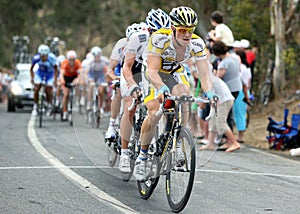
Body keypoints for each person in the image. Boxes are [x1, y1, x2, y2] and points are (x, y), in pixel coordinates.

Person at [134, 6, 216, 181]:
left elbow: (204, 74)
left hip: (175, 71)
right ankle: (142, 155)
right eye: (182, 30)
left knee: (184, 96)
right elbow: (152, 71)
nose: (187, 34)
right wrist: (161, 88)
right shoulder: (159, 39)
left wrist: (209, 93)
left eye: (190, 30)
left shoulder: (197, 43)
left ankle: (178, 142)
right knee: (154, 111)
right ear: (173, 28)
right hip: (153, 73)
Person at [118, 9, 171, 173]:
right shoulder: (138, 38)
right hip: (133, 72)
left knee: (160, 106)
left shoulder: (169, 39)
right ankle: (125, 153)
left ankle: (159, 142)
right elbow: (126, 67)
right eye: (156, 32)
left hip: (152, 72)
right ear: (148, 30)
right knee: (130, 104)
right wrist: (133, 86)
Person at [104, 23, 141, 139]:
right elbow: (109, 70)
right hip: (122, 70)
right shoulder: (121, 45)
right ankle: (112, 124)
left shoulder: (144, 44)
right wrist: (116, 78)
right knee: (119, 89)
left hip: (138, 72)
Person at [199, 65, 240, 152]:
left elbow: (212, 93)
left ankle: (234, 142)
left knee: (220, 123)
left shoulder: (209, 79)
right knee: (212, 120)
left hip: (224, 101)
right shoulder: (209, 78)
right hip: (219, 100)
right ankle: (210, 143)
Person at [211, 41, 243, 132]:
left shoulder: (223, 63)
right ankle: (227, 137)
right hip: (237, 87)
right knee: (229, 114)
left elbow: (218, 78)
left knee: (225, 115)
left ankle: (228, 138)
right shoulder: (236, 58)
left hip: (228, 89)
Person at [30, 44, 58, 116]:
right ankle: (35, 106)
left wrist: (55, 80)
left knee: (48, 89)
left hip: (50, 74)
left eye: (45, 55)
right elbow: (31, 69)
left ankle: (49, 104)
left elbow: (56, 70)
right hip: (40, 74)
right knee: (36, 88)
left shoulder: (52, 58)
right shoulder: (36, 58)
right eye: (41, 55)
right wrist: (32, 78)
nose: (43, 57)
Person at [234, 49, 252, 142]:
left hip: (240, 92)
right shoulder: (247, 67)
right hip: (244, 91)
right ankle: (239, 135)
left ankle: (240, 136)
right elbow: (249, 83)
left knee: (239, 114)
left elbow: (244, 82)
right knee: (239, 114)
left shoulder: (241, 68)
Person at [85, 46, 108, 114]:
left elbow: (109, 69)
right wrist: (88, 79)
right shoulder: (90, 61)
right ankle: (89, 103)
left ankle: (101, 105)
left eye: (98, 56)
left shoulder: (105, 60)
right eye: (95, 56)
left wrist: (107, 79)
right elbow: (86, 72)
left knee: (102, 89)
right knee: (91, 86)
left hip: (100, 75)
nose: (97, 58)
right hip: (92, 74)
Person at [60, 50, 82, 120]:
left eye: (73, 60)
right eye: (70, 60)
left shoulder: (78, 63)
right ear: (68, 59)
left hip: (74, 77)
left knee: (79, 83)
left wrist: (77, 80)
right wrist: (62, 80)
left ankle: (78, 99)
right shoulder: (65, 63)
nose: (72, 61)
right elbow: (61, 74)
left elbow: (80, 73)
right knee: (66, 94)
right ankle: (64, 111)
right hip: (66, 77)